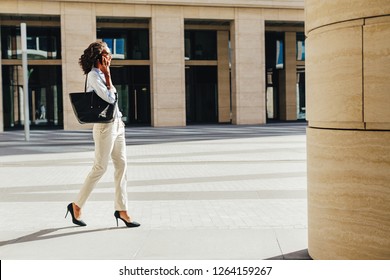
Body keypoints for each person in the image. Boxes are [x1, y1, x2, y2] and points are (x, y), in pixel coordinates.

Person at [65, 41, 140, 228]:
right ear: (100, 57)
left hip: (117, 124)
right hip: (104, 127)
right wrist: (107, 76)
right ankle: (76, 205)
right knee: (100, 167)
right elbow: (110, 97)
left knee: (121, 165)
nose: (111, 57)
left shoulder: (103, 75)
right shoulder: (93, 75)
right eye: (108, 53)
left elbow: (113, 98)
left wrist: (108, 78)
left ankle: (122, 209)